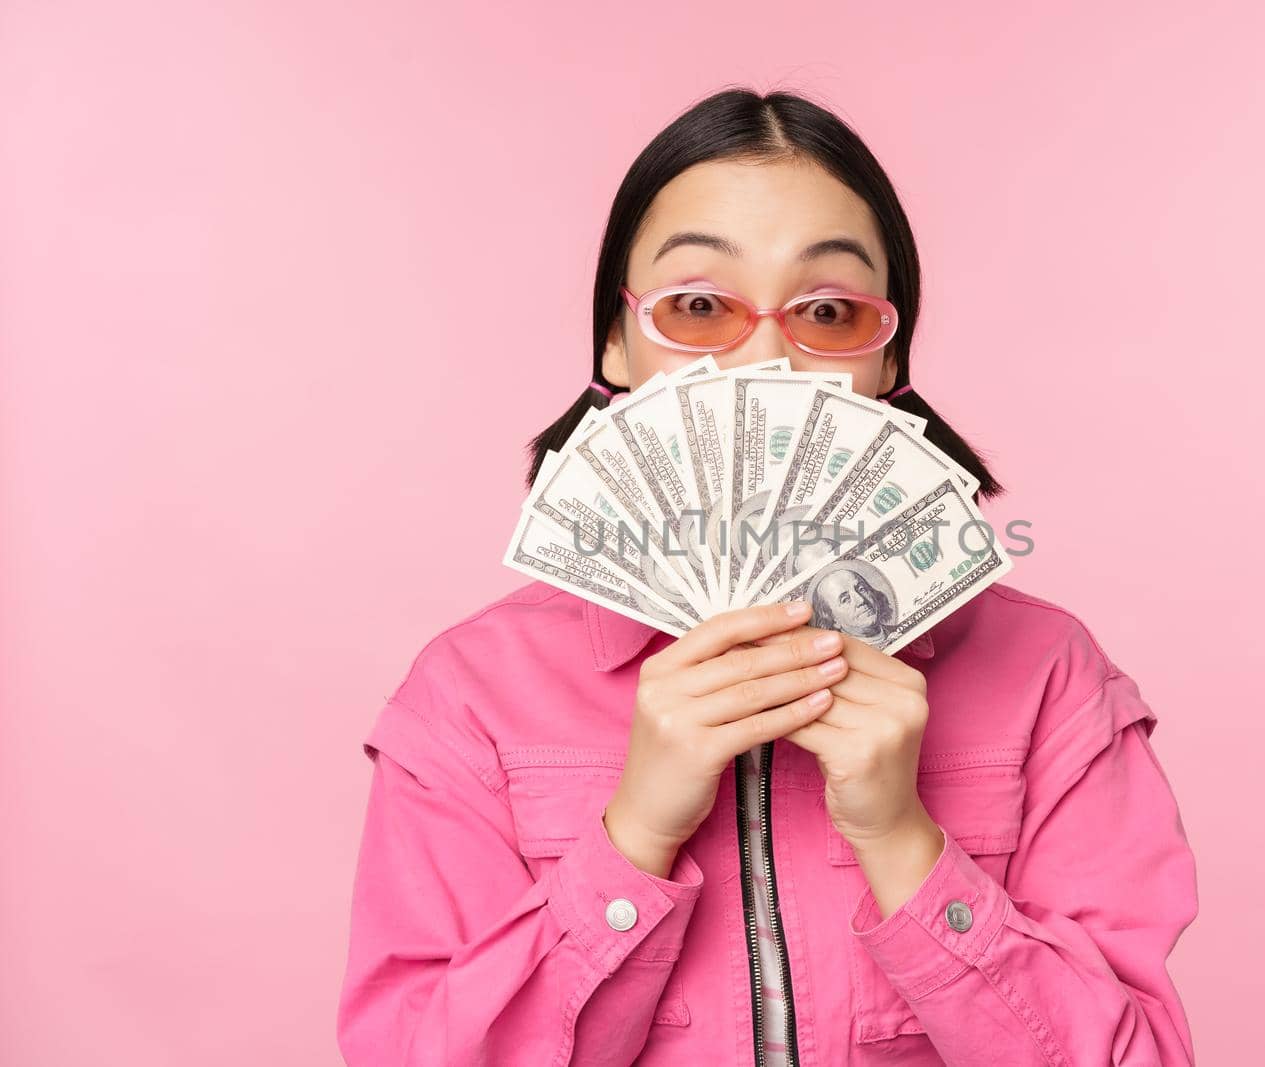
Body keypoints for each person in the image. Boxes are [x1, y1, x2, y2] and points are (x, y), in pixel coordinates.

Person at [336, 87, 1199, 1067]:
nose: (765, 359)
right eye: (698, 305)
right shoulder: (468, 696)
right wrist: (634, 835)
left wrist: (903, 841)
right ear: (613, 346)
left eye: (827, 310)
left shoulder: (1046, 674)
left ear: (887, 361)